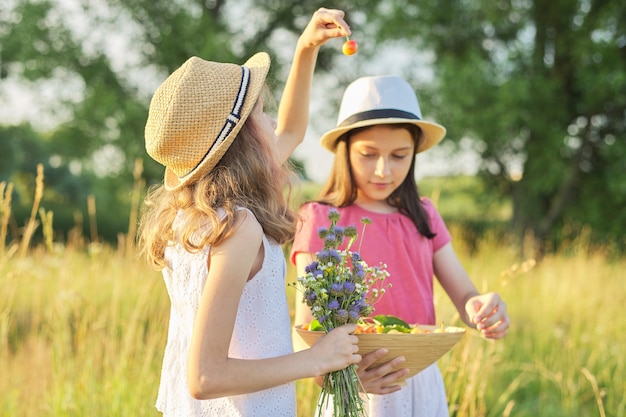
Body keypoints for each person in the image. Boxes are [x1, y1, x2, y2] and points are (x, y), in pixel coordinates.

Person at [137, 8, 363, 417]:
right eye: (259, 112)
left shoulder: (191, 216)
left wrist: (306, 48)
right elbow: (205, 377)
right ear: (241, 143)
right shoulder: (237, 228)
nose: (272, 120)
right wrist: (317, 359)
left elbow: (292, 130)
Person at [291, 75, 510, 417]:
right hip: (350, 383)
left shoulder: (423, 214)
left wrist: (481, 307)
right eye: (369, 154)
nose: (383, 170)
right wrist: (338, 380)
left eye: (399, 155)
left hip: (418, 383)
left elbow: (465, 296)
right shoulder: (320, 218)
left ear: (414, 155)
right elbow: (307, 331)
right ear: (344, 149)